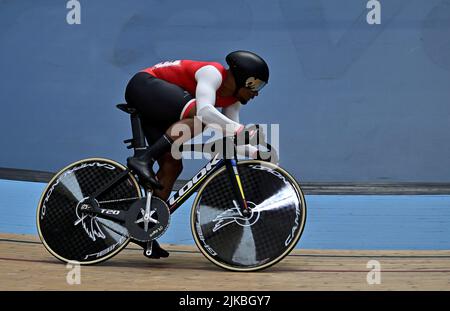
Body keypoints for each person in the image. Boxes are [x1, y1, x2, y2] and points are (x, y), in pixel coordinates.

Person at [124, 50, 269, 258]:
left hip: (161, 105)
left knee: (172, 165)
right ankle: (143, 159)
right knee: (201, 119)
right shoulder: (212, 74)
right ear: (243, 79)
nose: (257, 93)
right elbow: (205, 112)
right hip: (144, 85)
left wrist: (256, 152)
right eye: (257, 86)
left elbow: (231, 134)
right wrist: (239, 130)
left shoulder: (232, 101)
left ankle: (144, 229)